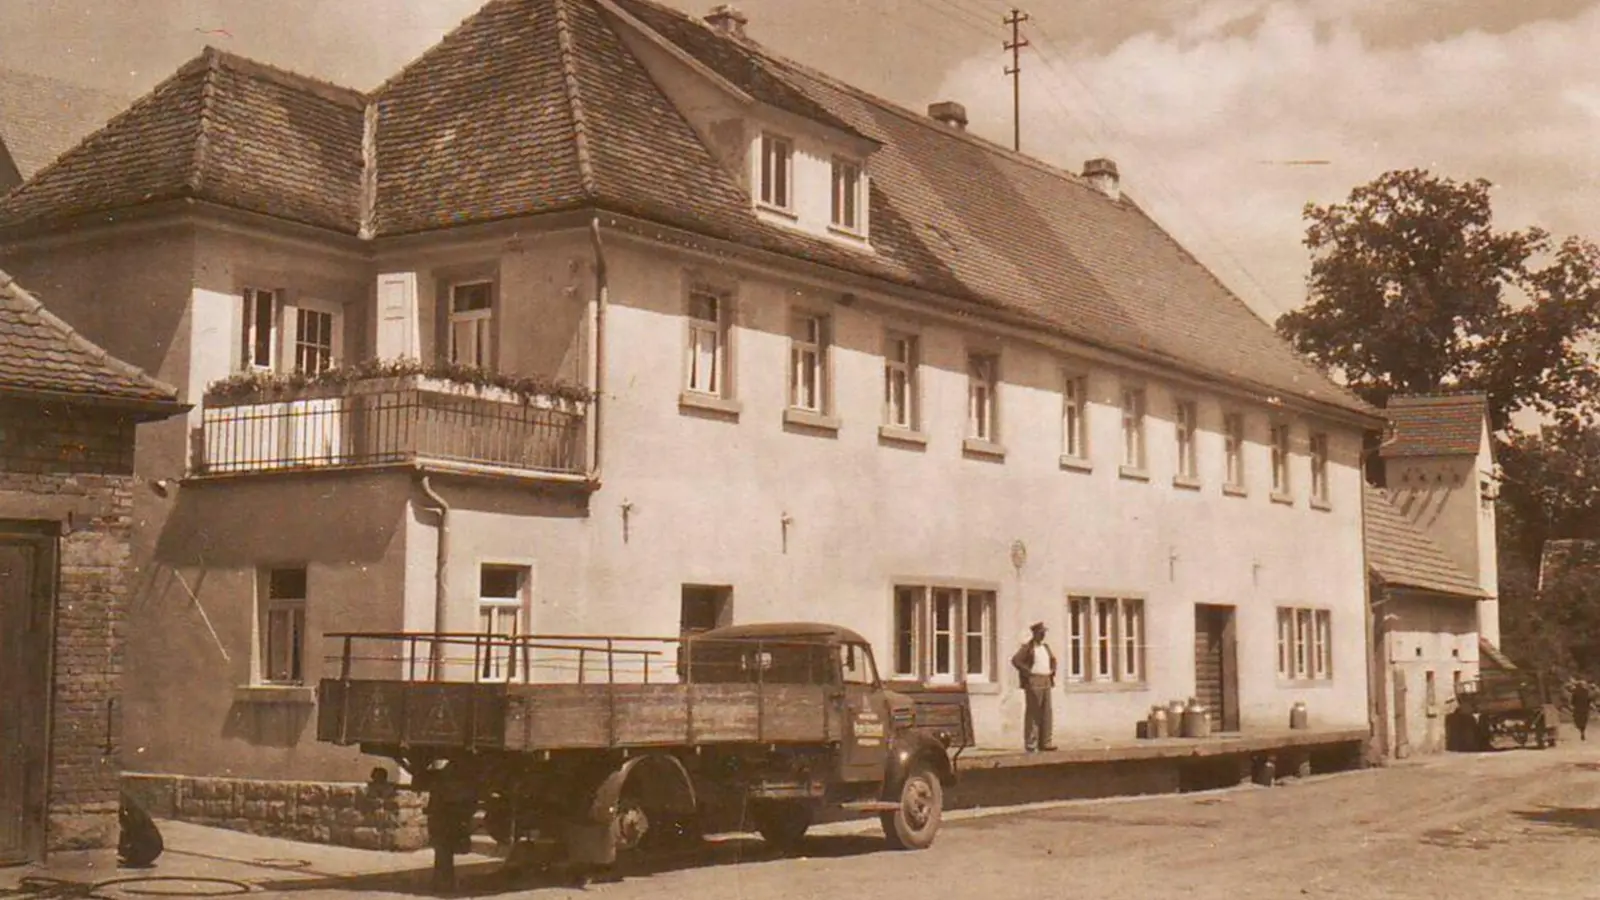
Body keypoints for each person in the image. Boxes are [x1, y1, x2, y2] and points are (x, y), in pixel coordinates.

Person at [1011, 622, 1057, 752]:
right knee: (1034, 712)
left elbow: (1052, 659)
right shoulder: (1028, 647)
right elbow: (1016, 660)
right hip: (1034, 681)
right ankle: (1031, 743)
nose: (1043, 636)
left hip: (1046, 680)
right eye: (1040, 633)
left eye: (1044, 633)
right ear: (1035, 633)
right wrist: (1028, 673)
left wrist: (1052, 669)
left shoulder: (1045, 647)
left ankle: (1046, 742)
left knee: (1046, 712)